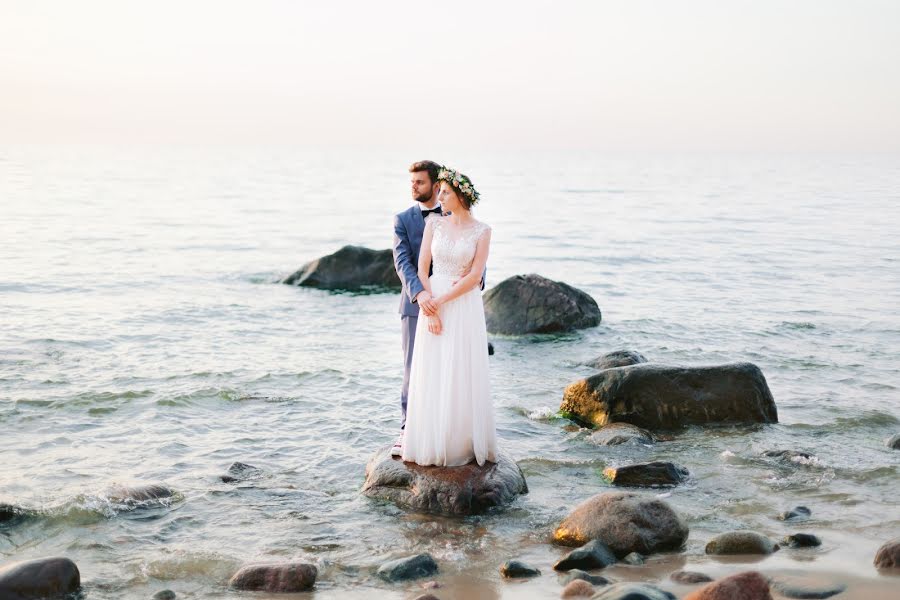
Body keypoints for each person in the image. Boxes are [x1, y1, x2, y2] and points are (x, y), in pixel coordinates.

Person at [400, 167, 498, 467]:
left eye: (445, 192)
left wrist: (441, 301)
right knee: (433, 368)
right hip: (433, 300)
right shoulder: (434, 225)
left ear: (460, 195)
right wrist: (429, 305)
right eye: (439, 191)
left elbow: (475, 275)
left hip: (462, 303)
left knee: (461, 366)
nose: (439, 197)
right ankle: (429, 438)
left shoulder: (483, 231)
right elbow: (422, 267)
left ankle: (460, 441)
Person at [391, 160, 444, 456]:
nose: (413, 186)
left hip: (451, 304)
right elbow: (402, 262)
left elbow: (471, 253)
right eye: (411, 182)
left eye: (420, 182)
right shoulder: (402, 219)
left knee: (447, 367)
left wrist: (476, 285)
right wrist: (420, 294)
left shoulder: (453, 214)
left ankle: (443, 428)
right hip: (415, 306)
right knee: (413, 368)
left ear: (436, 186)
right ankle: (406, 429)